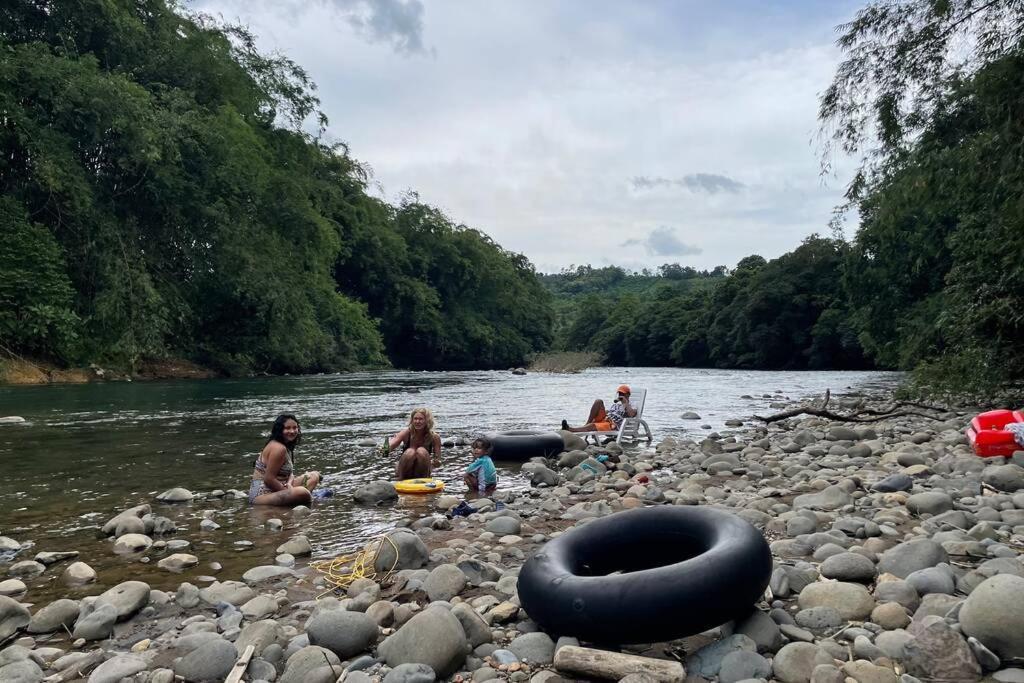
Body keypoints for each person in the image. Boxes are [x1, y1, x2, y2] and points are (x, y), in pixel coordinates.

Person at [248, 414, 321, 506]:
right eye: (287, 428)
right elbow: (268, 479)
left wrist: (290, 484)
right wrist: (288, 491)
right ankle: (309, 499)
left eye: (295, 428)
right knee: (302, 492)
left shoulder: (286, 446)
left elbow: (290, 473)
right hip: (261, 496)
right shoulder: (278, 448)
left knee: (314, 476)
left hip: (282, 486)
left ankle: (302, 498)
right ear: (279, 430)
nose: (292, 431)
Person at [387, 407, 442, 480]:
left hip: (422, 471)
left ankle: (425, 479)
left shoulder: (434, 437)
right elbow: (393, 443)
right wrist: (385, 449)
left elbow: (437, 460)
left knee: (421, 451)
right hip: (405, 470)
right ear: (412, 420)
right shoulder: (406, 433)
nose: (417, 421)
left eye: (421, 419)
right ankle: (401, 478)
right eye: (415, 419)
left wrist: (436, 462)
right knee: (411, 451)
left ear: (427, 421)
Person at [561, 384, 637, 433]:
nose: (621, 395)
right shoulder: (616, 405)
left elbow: (631, 414)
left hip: (612, 425)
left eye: (623, 394)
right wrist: (602, 412)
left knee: (592, 426)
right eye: (620, 393)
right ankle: (586, 424)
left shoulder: (632, 405)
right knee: (598, 401)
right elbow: (609, 412)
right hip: (606, 419)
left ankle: (571, 430)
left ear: (628, 394)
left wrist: (625, 403)